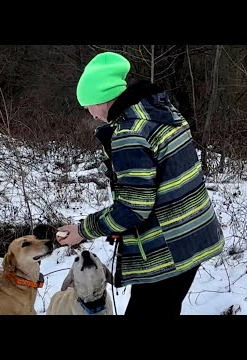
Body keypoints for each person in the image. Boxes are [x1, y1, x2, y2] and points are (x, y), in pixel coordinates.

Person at [57, 52, 225, 316]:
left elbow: (134, 209)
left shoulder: (129, 134)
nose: (89, 112)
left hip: (168, 252)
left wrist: (83, 230)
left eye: (87, 105)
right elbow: (162, 183)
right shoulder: (161, 111)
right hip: (193, 236)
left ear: (99, 99)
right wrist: (120, 228)